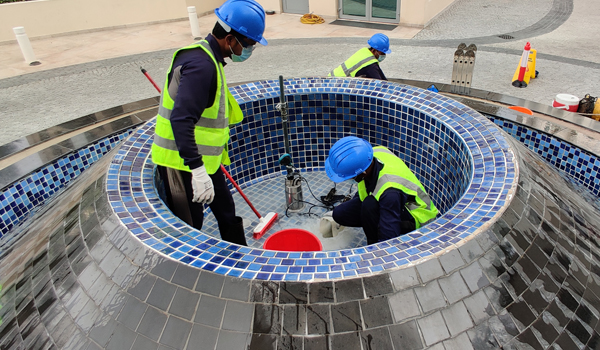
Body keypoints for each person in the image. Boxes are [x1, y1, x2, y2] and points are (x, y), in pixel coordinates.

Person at [151, 0, 268, 246]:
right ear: (230, 39)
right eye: (249, 43)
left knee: (226, 209)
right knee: (190, 225)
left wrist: (204, 168)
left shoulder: (209, 58)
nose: (250, 49)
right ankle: (198, 274)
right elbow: (181, 120)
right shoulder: (202, 66)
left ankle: (240, 258)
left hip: (205, 163)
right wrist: (197, 170)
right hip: (181, 164)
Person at [324, 136, 438, 244]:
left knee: (369, 206)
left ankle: (372, 245)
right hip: (393, 201)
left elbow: (389, 234)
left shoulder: (390, 191)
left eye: (350, 176)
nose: (348, 179)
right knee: (340, 214)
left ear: (363, 172)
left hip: (417, 218)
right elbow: (364, 191)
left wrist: (378, 253)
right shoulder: (371, 155)